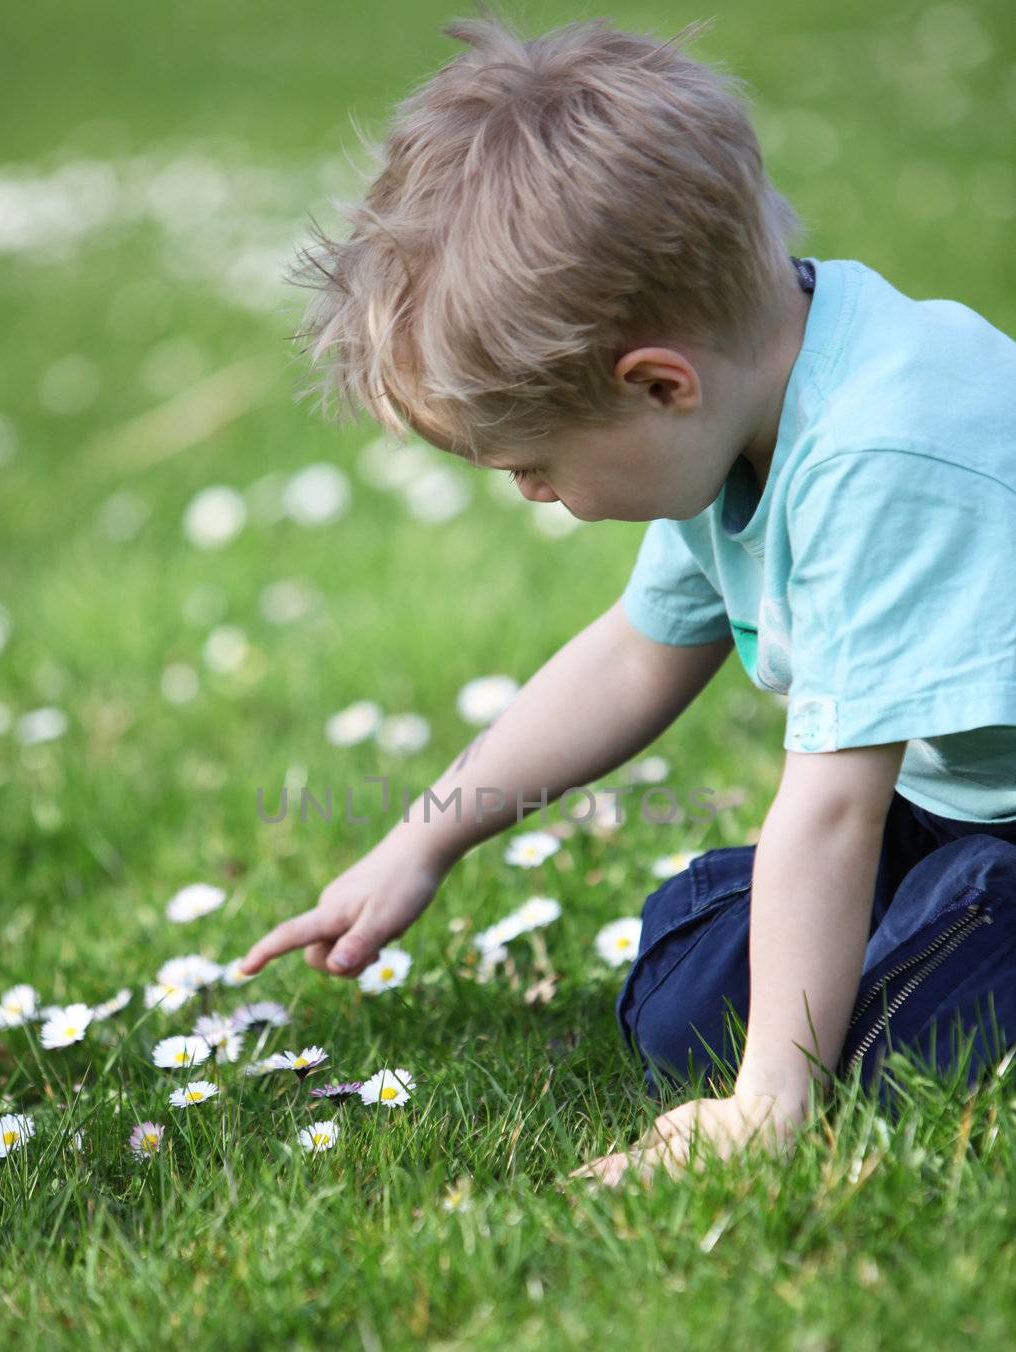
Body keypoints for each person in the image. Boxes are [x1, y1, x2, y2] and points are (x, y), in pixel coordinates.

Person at [240, 6, 1016, 1187]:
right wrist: (425, 839)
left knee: (876, 1038)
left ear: (656, 384)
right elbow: (633, 656)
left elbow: (830, 812)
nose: (528, 492)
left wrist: (767, 1106)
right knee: (680, 982)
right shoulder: (748, 400)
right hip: (961, 809)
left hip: (963, 820)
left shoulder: (879, 453)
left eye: (528, 460)